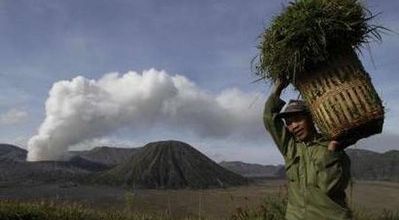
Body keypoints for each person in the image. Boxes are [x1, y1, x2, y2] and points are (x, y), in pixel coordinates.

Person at [264, 78, 353, 220]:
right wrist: (278, 88)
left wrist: (332, 150)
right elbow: (269, 119)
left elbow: (329, 186)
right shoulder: (291, 147)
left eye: (298, 119)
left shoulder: (332, 148)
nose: (293, 126)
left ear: (312, 119)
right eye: (289, 123)